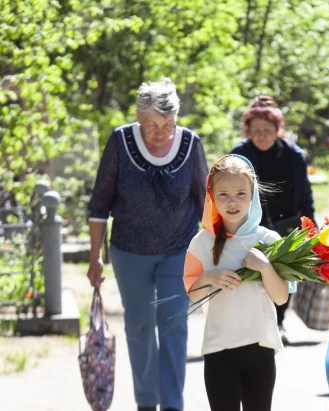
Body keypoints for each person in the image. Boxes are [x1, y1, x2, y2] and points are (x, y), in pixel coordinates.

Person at [86, 78, 208, 411]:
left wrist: (218, 248)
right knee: (139, 324)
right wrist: (95, 257)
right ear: (139, 118)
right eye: (153, 125)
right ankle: (146, 401)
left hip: (179, 249)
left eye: (168, 124)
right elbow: (100, 203)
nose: (161, 133)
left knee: (173, 323)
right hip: (130, 250)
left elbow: (203, 201)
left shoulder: (190, 143)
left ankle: (172, 404)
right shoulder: (120, 141)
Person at [183, 155, 291, 411]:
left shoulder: (268, 239)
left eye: (241, 193)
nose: (232, 202)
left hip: (260, 348)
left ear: (253, 194)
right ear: (211, 196)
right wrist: (209, 277)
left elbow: (281, 297)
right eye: (223, 194)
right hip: (219, 349)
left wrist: (265, 267)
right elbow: (193, 294)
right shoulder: (202, 242)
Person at [231, 95, 316, 341]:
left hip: (286, 226)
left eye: (267, 130)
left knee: (282, 275)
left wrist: (311, 230)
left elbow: (305, 195)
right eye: (256, 130)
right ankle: (257, 324)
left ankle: (278, 323)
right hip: (249, 226)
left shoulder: (293, 154)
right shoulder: (239, 155)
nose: (262, 135)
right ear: (247, 131)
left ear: (279, 130)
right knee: (254, 278)